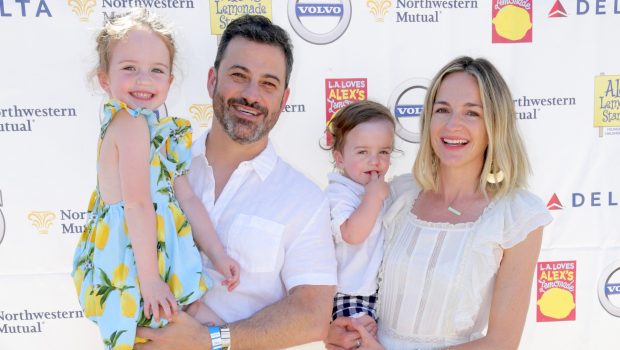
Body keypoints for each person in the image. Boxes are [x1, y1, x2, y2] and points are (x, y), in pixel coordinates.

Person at [134, 15, 338, 350]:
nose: (251, 95)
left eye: (268, 84)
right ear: (212, 80)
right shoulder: (159, 164)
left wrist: (210, 340)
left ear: (284, 100)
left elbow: (312, 314)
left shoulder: (305, 200)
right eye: (239, 76)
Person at [326, 56, 553, 349]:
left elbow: (501, 343)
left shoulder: (518, 215)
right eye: (442, 109)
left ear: (495, 124)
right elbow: (342, 267)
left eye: (472, 113)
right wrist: (333, 332)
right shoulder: (394, 194)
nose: (452, 124)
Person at [71, 9, 240, 349]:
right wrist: (149, 279)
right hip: (134, 262)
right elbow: (136, 203)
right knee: (156, 336)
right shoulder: (129, 125)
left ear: (169, 82)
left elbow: (187, 199)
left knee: (207, 330)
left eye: (156, 70)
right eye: (130, 68)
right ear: (105, 79)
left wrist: (218, 254)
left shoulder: (158, 134)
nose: (144, 80)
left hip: (163, 258)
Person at [323, 101, 395, 328]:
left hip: (378, 294)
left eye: (383, 152)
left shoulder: (377, 188)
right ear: (340, 158)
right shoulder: (339, 192)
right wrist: (372, 197)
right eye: (363, 152)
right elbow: (351, 234)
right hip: (349, 293)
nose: (375, 161)